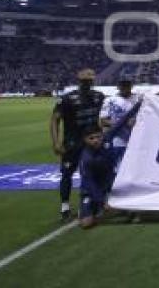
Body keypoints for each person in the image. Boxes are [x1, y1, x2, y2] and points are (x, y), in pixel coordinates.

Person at [50, 68, 105, 221]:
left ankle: (93, 203)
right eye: (85, 81)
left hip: (93, 142)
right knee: (67, 174)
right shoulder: (68, 98)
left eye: (90, 80)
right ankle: (65, 207)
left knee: (93, 173)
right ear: (79, 81)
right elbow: (55, 119)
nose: (88, 83)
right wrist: (56, 142)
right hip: (73, 143)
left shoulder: (98, 97)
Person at [77, 126, 116, 229]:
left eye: (98, 137)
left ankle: (98, 209)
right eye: (91, 138)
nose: (96, 140)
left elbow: (121, 123)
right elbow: (90, 183)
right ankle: (89, 209)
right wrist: (102, 202)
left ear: (102, 135)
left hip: (108, 186)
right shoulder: (86, 159)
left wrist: (137, 108)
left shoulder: (107, 137)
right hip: (90, 191)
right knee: (86, 224)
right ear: (85, 140)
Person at [99, 78, 143, 169]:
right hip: (117, 140)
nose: (125, 87)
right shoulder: (110, 100)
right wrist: (122, 123)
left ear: (131, 86)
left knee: (134, 167)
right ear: (118, 86)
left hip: (136, 140)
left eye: (127, 84)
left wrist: (137, 122)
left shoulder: (139, 99)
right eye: (122, 85)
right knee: (114, 168)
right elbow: (103, 120)